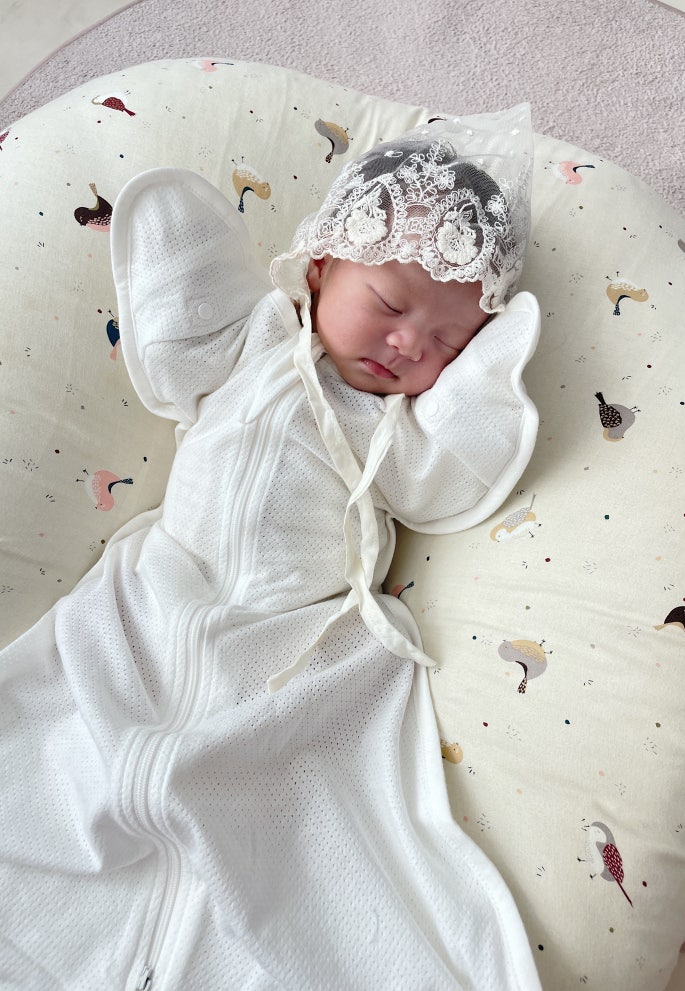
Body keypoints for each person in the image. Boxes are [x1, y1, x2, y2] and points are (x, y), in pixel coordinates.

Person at [0, 106, 543, 989]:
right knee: (65, 757)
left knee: (253, 803)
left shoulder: (390, 434)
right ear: (320, 268)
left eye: (447, 341)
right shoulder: (253, 339)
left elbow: (447, 476)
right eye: (388, 305)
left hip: (289, 640)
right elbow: (178, 339)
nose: (409, 343)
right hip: (157, 597)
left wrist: (488, 362)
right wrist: (182, 235)